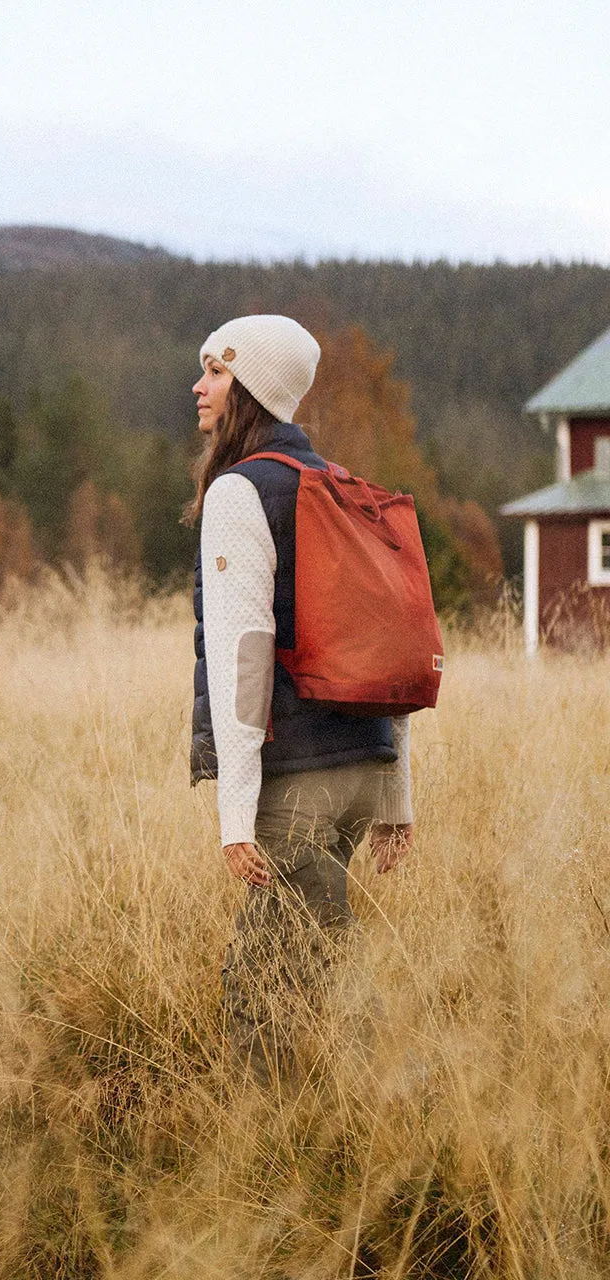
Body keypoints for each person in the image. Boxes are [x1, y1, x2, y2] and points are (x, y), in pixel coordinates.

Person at [187, 314, 413, 1082]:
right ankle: (380, 1117)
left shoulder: (240, 493)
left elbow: (242, 656)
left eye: (215, 371)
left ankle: (284, 1153)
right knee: (319, 953)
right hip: (359, 769)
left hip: (299, 782)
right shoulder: (341, 485)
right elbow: (389, 651)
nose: (199, 385)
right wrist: (394, 792)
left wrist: (234, 811)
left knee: (262, 990)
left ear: (250, 387)